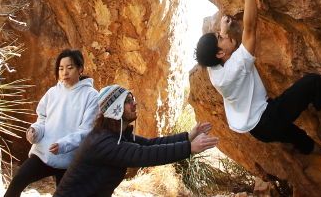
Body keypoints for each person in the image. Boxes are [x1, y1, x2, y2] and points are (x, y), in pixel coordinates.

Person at [195, 0, 321, 162]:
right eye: (220, 38)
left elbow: (220, 52)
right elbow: (249, 29)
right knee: (313, 83)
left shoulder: (214, 69)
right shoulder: (235, 67)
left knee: (297, 138)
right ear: (220, 52)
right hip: (267, 117)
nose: (225, 36)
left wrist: (222, 32)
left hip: (257, 130)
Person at [53, 84, 219, 196]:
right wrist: (188, 148)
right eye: (127, 101)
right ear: (114, 109)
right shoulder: (104, 142)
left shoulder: (117, 135)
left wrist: (188, 137)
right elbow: (144, 154)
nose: (134, 104)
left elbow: (150, 144)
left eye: (132, 99)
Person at [4, 49, 99, 197]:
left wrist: (63, 144)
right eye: (61, 68)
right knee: (17, 181)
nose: (64, 73)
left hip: (70, 159)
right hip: (44, 152)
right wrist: (35, 131)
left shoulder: (91, 95)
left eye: (70, 67)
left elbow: (86, 130)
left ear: (80, 69)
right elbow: (42, 119)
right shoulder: (52, 92)